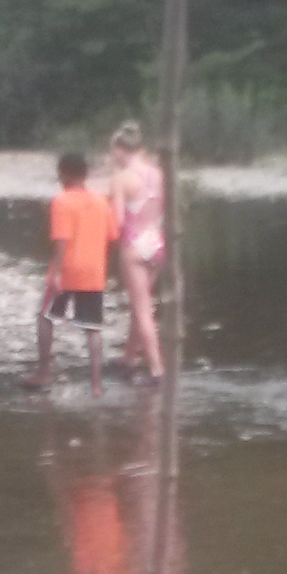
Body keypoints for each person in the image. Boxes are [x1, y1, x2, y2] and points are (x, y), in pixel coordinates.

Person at [34, 150, 120, 390]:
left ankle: (43, 373)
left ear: (64, 174)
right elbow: (112, 236)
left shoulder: (62, 201)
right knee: (93, 329)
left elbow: (62, 239)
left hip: (67, 271)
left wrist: (56, 274)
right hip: (94, 272)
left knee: (45, 317)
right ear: (85, 174)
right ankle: (96, 385)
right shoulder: (101, 201)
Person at [107, 121, 170, 382]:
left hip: (133, 246)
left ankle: (157, 369)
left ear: (121, 149)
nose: (112, 156)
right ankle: (130, 358)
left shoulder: (121, 179)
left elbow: (118, 221)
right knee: (139, 304)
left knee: (142, 308)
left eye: (113, 151)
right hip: (156, 242)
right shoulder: (158, 174)